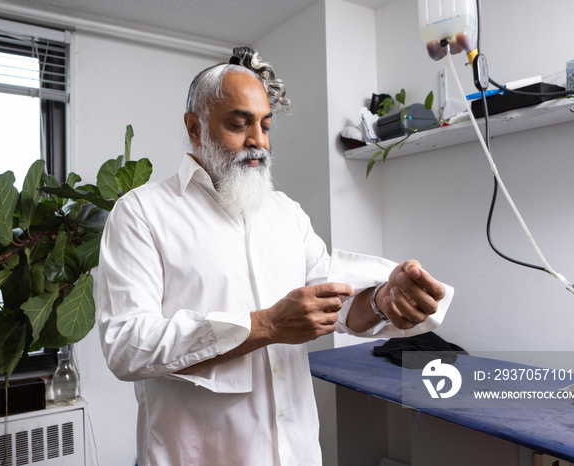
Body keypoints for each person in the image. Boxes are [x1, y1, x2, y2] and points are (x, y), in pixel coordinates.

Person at [96, 46, 454, 466]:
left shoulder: (286, 213)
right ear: (195, 128)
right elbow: (126, 346)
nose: (258, 142)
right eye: (239, 124)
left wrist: (381, 302)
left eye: (266, 125)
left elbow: (334, 306)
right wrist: (265, 326)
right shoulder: (142, 213)